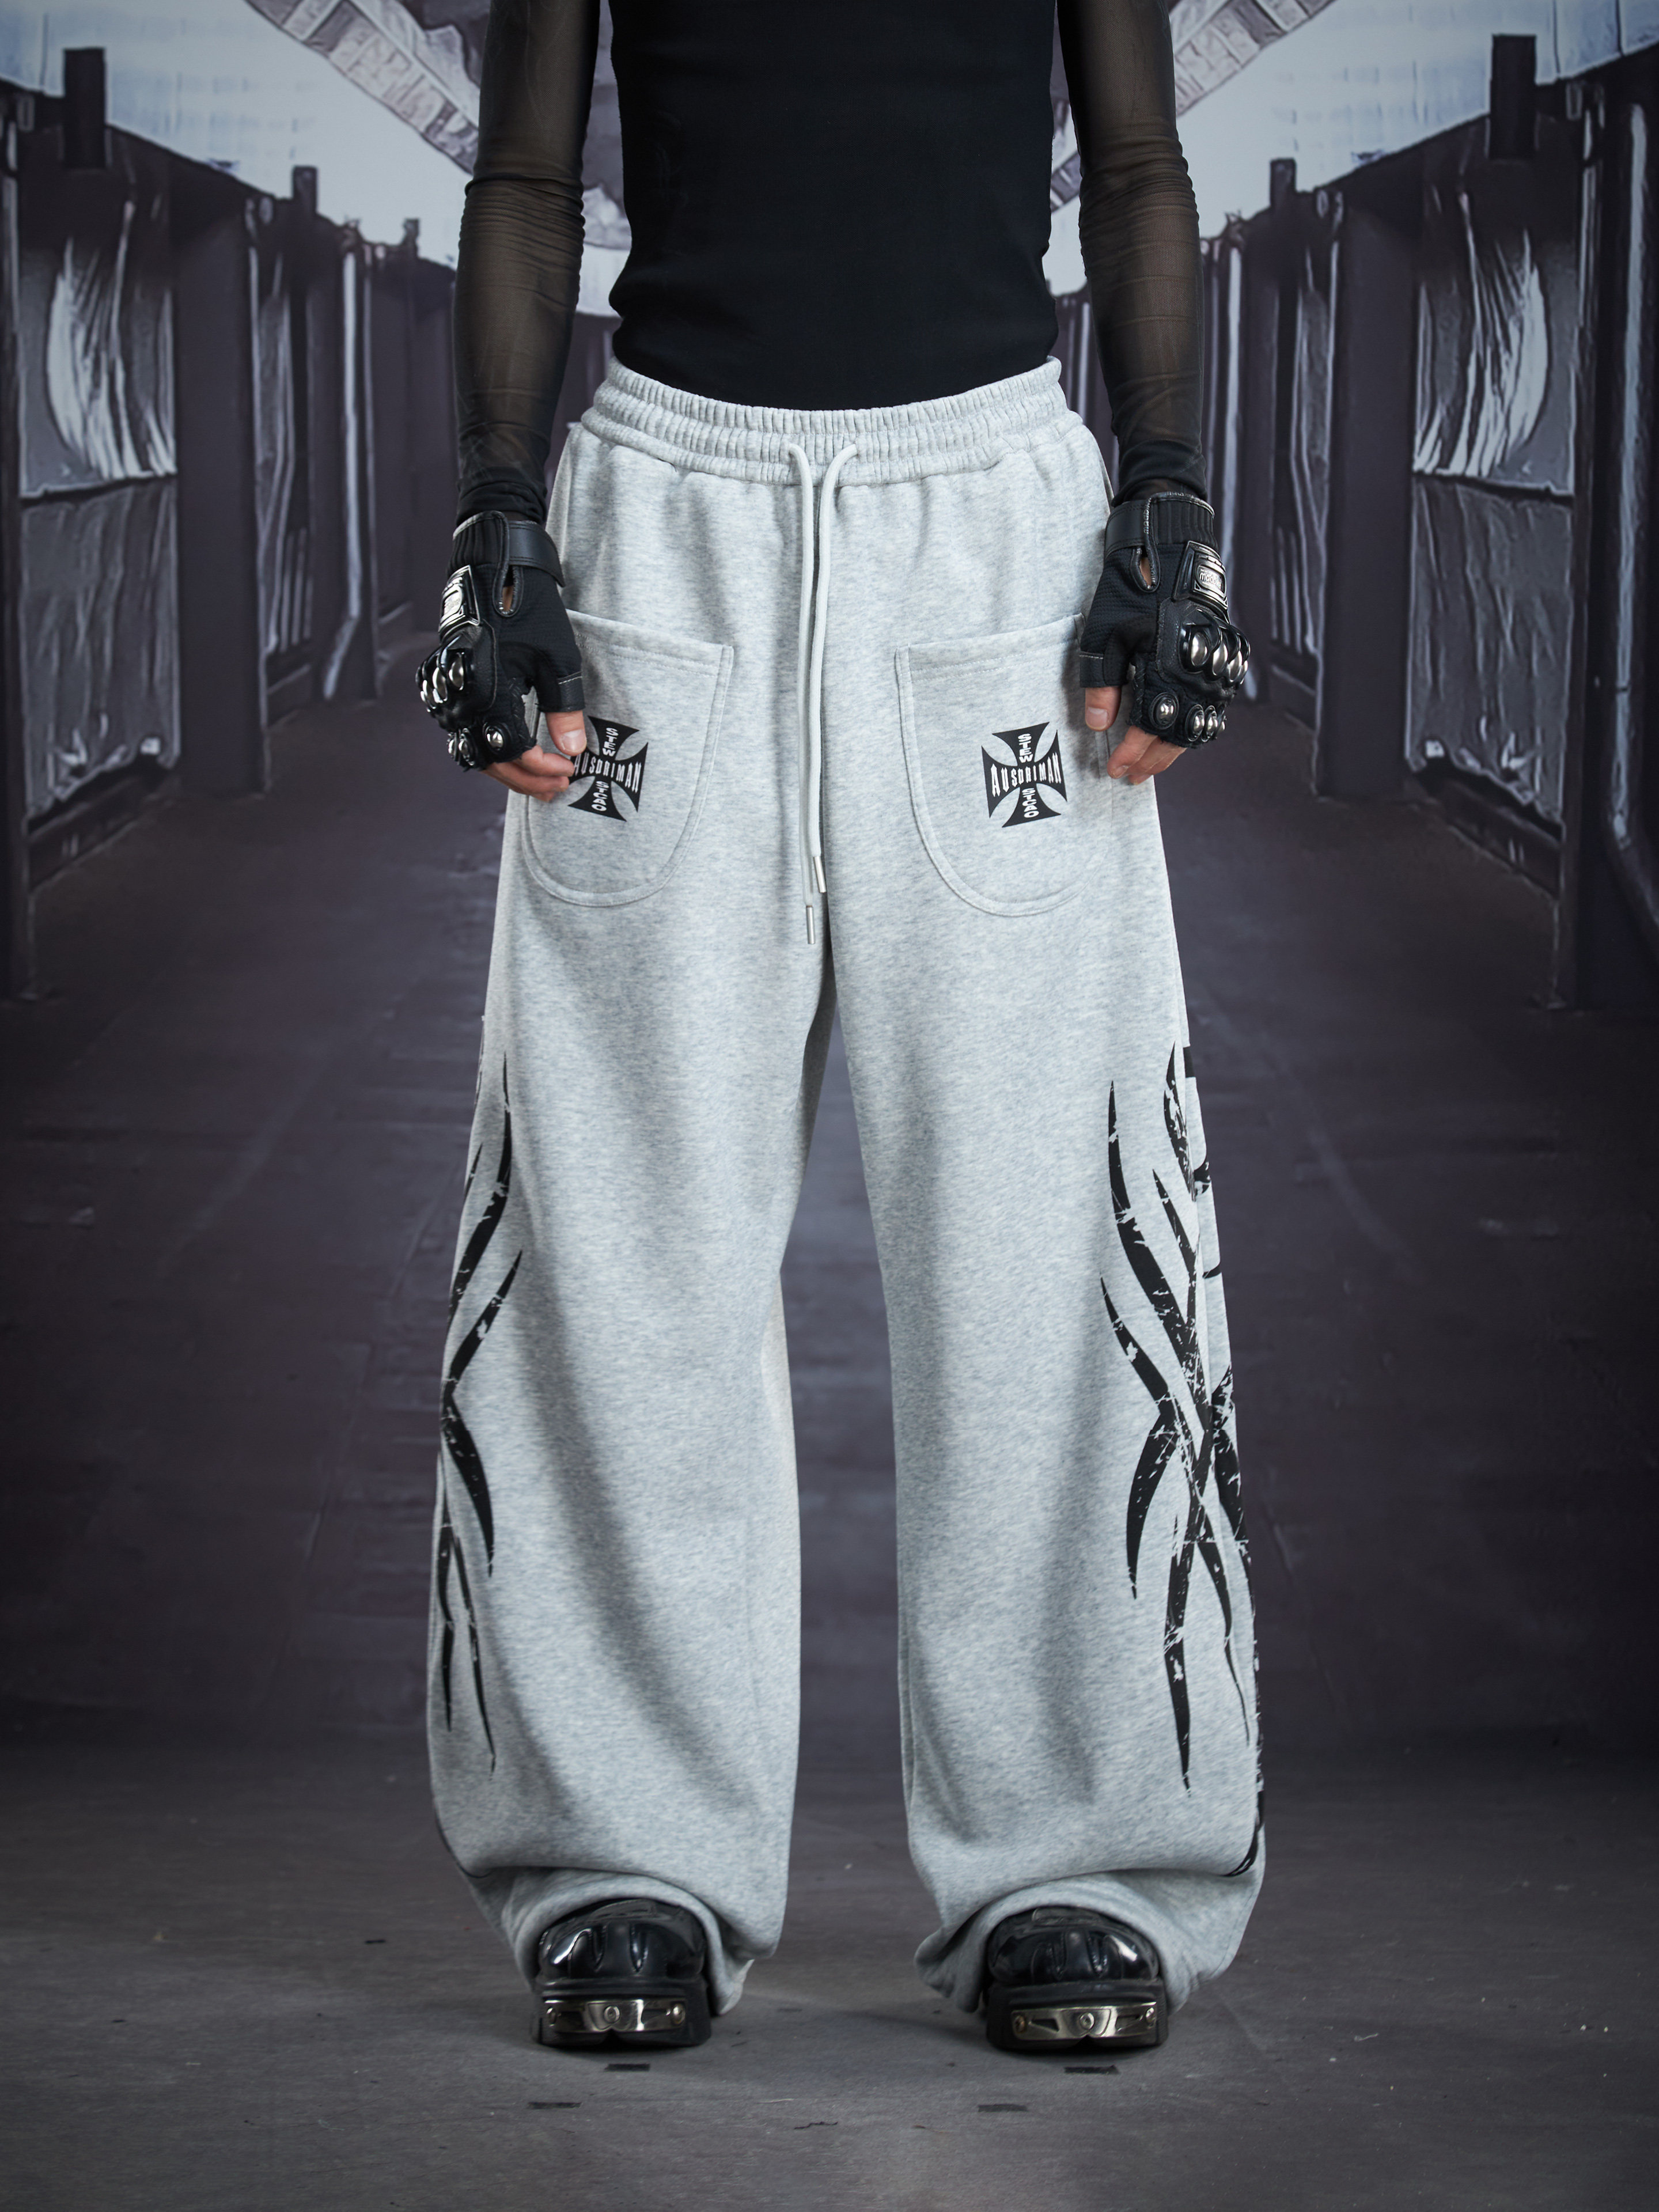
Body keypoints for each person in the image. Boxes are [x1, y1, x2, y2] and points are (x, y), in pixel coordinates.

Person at [418, 0, 1259, 2059]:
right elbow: (524, 172)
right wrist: (498, 518)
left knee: (1046, 1214)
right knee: (622, 1220)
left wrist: (1165, 503)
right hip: (662, 520)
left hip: (994, 519)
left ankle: (1084, 1864)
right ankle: (620, 1857)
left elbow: (1136, 163)